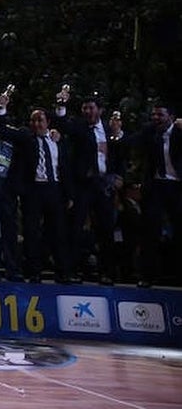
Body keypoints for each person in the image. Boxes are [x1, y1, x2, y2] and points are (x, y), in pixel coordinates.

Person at [51, 89, 125, 284]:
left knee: (106, 229)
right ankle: (70, 271)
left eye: (91, 108)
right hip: (82, 185)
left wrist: (118, 175)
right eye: (85, 108)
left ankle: (107, 272)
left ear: (100, 110)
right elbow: (63, 124)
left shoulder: (110, 131)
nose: (87, 111)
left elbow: (118, 155)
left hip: (103, 186)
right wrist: (61, 106)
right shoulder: (79, 127)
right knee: (74, 228)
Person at [0, 105, 73, 283]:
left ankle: (63, 272)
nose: (36, 124)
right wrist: (1, 110)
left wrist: (69, 195)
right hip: (32, 191)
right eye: (33, 120)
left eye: (40, 120)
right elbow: (2, 130)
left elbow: (65, 167)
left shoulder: (57, 139)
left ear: (48, 123)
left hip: (54, 190)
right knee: (31, 233)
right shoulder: (25, 137)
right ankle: (34, 272)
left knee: (58, 232)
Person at [111, 103, 182, 287]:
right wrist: (118, 134)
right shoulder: (150, 131)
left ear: (171, 117)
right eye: (154, 114)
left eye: (160, 114)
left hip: (177, 188)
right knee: (149, 231)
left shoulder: (180, 131)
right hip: (157, 186)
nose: (156, 118)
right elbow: (129, 142)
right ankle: (147, 276)